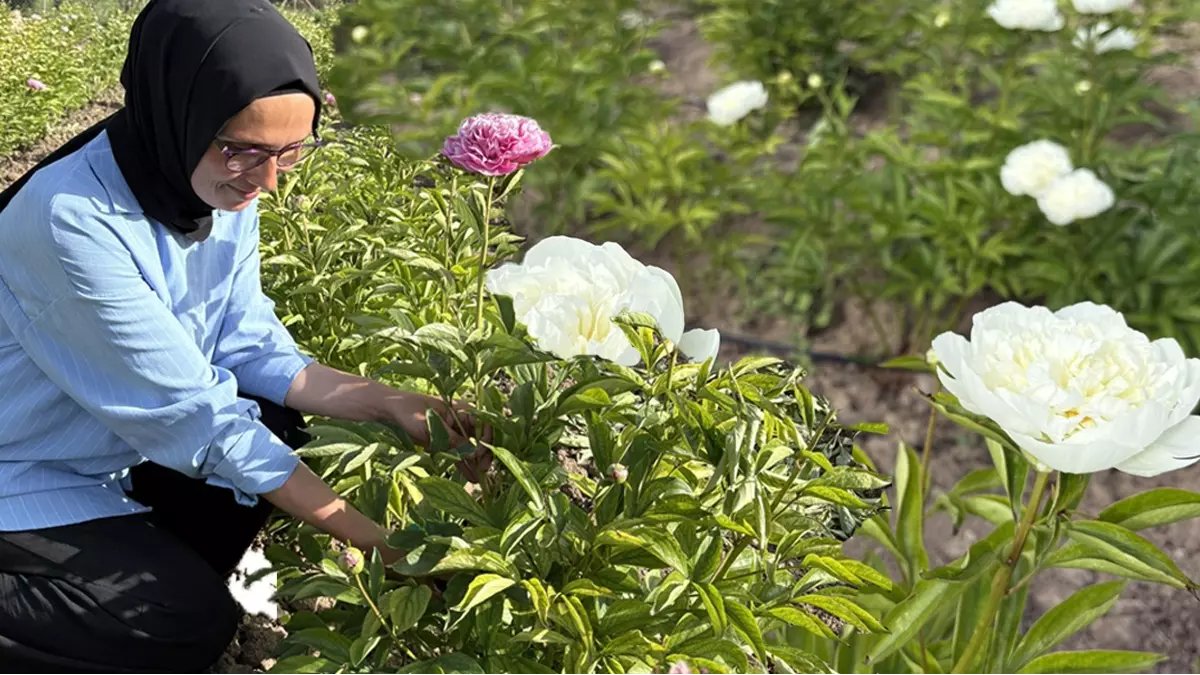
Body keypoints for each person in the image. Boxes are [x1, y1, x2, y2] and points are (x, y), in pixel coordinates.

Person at [0, 0, 481, 671]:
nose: (268, 181)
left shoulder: (207, 180)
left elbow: (245, 340)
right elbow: (202, 418)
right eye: (245, 150)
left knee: (281, 421)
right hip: (22, 470)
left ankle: (131, 573)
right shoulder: (70, 219)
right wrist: (382, 544)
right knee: (181, 622)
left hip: (111, 447)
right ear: (180, 110)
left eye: (290, 153)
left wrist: (388, 400)